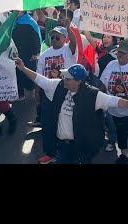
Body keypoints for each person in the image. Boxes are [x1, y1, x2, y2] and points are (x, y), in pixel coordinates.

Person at [14, 60, 128, 164]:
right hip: (62, 146)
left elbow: (115, 101)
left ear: (78, 81)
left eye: (68, 78)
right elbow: (39, 79)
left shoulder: (93, 95)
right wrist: (24, 69)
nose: (64, 79)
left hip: (82, 147)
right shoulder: (58, 86)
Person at [32, 24, 78, 164]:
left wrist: (68, 26)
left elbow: (74, 42)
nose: (54, 39)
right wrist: (37, 94)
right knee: (48, 124)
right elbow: (38, 77)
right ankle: (50, 153)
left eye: (57, 37)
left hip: (66, 92)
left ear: (65, 38)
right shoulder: (44, 56)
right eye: (52, 37)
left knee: (67, 124)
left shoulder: (68, 51)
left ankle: (70, 153)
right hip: (48, 94)